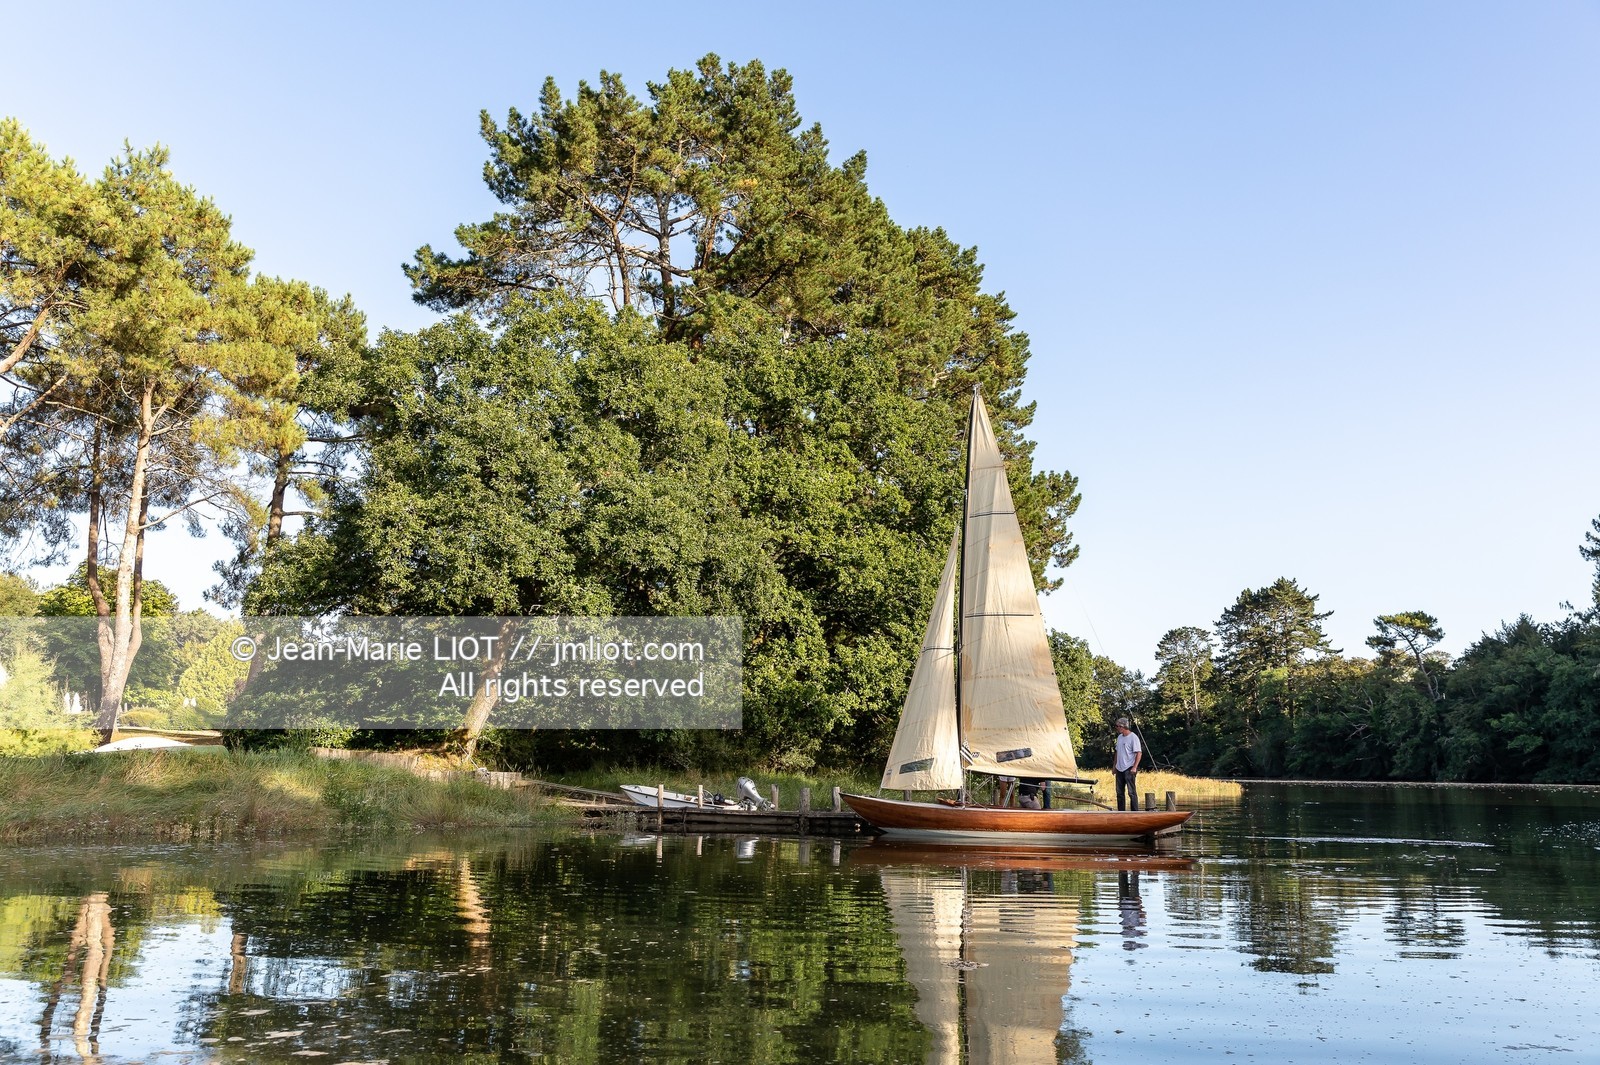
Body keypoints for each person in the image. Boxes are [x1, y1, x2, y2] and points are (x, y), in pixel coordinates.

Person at [1113, 717, 1142, 812]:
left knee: (1131, 792)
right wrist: (1114, 767)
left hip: (1129, 768)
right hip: (1119, 768)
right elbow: (1117, 752)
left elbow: (1138, 753)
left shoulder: (1133, 738)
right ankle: (1121, 811)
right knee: (1119, 792)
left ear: (1123, 726)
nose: (1117, 728)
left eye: (1117, 726)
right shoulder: (1119, 737)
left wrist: (1134, 767)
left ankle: (1135, 811)